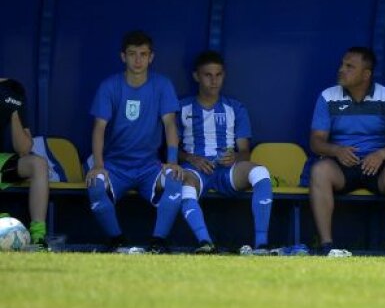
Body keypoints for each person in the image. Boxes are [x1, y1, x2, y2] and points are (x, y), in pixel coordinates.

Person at [86, 30, 197, 254]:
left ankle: (158, 242)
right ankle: (117, 241)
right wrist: (98, 165)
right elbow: (99, 128)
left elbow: (170, 124)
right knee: (95, 183)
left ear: (151, 57)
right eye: (132, 54)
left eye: (143, 54)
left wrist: (172, 161)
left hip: (148, 165)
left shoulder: (162, 85)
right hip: (115, 165)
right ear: (123, 56)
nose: (138, 60)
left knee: (175, 179)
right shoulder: (109, 86)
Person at [306, 47, 385, 257]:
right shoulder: (328, 96)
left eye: (349, 67)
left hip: (378, 166)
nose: (341, 70)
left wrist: (381, 155)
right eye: (342, 65)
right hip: (342, 165)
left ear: (366, 74)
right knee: (320, 171)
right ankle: (326, 246)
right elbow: (316, 141)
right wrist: (336, 150)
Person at [178, 51, 275, 255]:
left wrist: (235, 157)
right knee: (185, 184)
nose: (214, 81)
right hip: (196, 170)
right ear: (196, 76)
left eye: (218, 75)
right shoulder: (182, 107)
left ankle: (261, 245)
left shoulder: (235, 108)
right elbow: (170, 150)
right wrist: (191, 158)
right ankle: (205, 243)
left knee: (261, 173)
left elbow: (245, 152)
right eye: (208, 75)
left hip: (227, 171)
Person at [0, 78, 50, 250]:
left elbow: (24, 149)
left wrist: (14, 110)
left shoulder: (11, 89)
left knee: (38, 164)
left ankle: (38, 237)